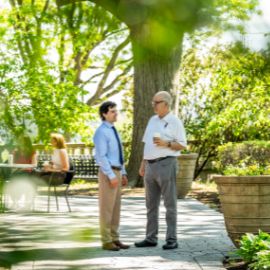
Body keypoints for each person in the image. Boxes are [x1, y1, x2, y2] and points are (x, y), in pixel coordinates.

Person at [135, 91, 187, 250]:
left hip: (166, 164)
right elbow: (147, 144)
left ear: (165, 103)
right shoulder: (152, 120)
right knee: (151, 205)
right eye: (153, 102)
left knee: (170, 204)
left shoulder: (174, 121)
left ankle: (171, 239)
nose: (153, 105)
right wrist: (143, 164)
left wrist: (167, 143)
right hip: (150, 166)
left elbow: (183, 144)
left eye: (156, 102)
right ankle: (151, 238)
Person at [93, 101, 129, 251]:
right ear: (104, 114)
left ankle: (115, 238)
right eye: (112, 111)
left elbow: (118, 154)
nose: (116, 113)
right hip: (108, 172)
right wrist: (110, 175)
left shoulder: (114, 130)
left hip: (118, 171)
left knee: (115, 208)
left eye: (116, 111)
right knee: (106, 208)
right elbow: (101, 156)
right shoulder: (101, 132)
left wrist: (123, 173)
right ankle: (106, 240)